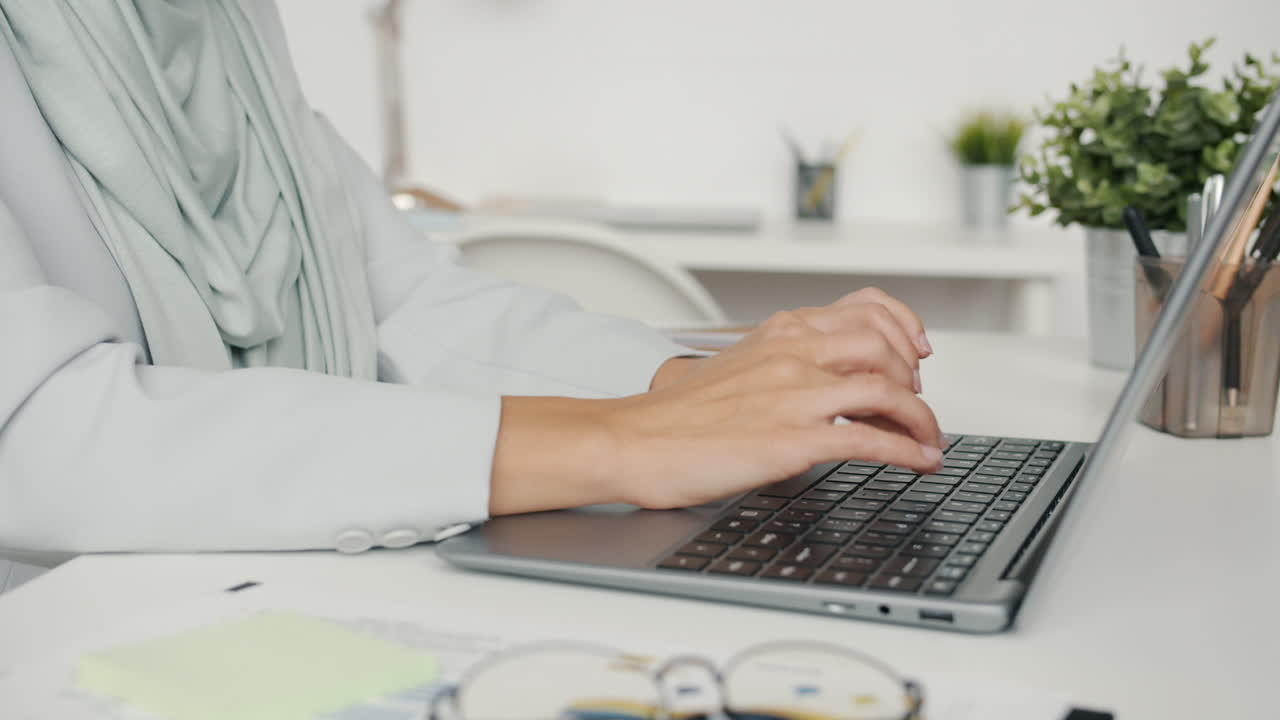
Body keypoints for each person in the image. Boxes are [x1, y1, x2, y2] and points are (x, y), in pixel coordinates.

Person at [0, 0, 941, 564]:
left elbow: (407, 296)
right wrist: (620, 442)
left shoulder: (230, 27)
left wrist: (681, 387)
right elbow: (37, 440)